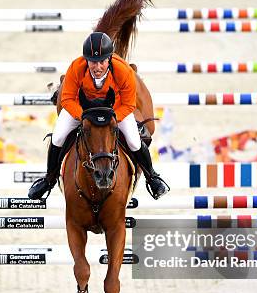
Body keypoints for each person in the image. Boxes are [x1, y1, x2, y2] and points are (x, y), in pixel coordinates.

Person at [28, 31, 169, 200]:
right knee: (57, 137)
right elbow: (66, 99)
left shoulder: (123, 71)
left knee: (133, 140)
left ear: (109, 59)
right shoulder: (76, 68)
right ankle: (49, 180)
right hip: (81, 110)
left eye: (102, 61)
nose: (97, 67)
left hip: (115, 110)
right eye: (93, 62)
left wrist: (113, 119)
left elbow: (129, 104)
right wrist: (84, 117)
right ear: (86, 60)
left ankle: (152, 178)